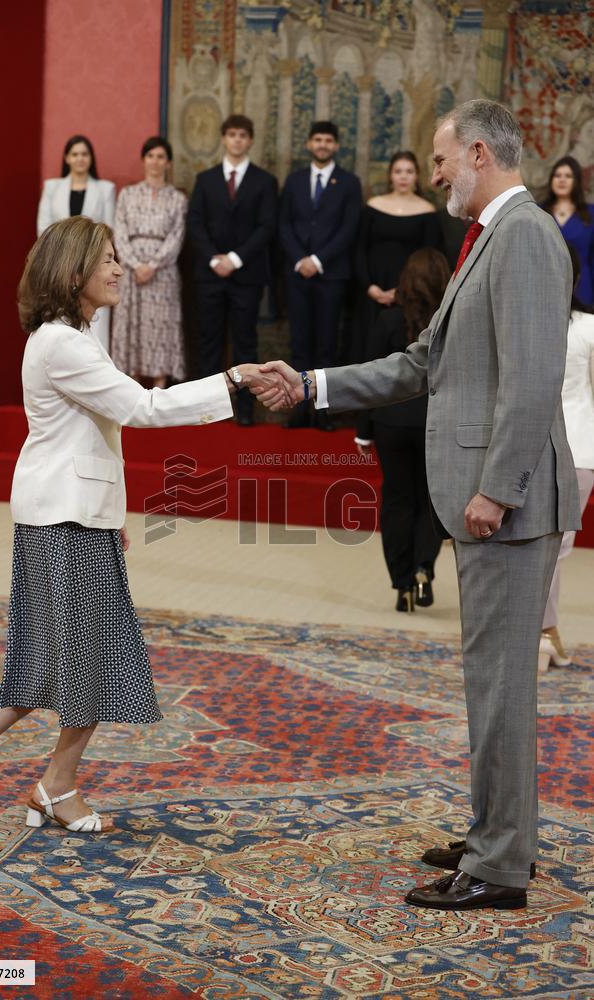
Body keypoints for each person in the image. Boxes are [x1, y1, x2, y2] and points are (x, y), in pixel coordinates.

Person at [256, 100, 580, 911]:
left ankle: (501, 867)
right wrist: (311, 385)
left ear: (477, 153)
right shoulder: (490, 238)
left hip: (505, 504)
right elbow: (420, 361)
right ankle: (498, 834)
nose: (433, 175)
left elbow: (534, 379)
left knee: (501, 686)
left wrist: (496, 489)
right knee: (490, 682)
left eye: (440, 160)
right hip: (488, 500)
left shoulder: (528, 237)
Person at [0, 217, 285, 833]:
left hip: (71, 515)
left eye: (119, 258)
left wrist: (107, 516)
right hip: (63, 518)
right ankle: (54, 788)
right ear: (72, 273)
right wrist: (231, 378)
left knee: (52, 658)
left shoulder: (72, 335)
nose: (119, 268)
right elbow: (139, 408)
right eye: (108, 259)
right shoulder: (63, 342)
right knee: (93, 659)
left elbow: (93, 436)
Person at [356, 248, 451, 612]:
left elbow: (369, 377)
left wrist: (363, 430)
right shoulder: (451, 319)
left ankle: (402, 584)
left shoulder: (386, 321)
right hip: (435, 423)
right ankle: (424, 565)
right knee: (429, 499)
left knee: (397, 500)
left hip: (391, 423)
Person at [187, 114, 278, 425]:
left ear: (250, 140)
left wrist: (235, 259)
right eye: (232, 134)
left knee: (245, 343)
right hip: (210, 275)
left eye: (243, 135)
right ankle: (208, 409)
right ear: (223, 139)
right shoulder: (205, 179)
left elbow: (267, 226)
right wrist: (215, 259)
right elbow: (195, 223)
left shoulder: (265, 181)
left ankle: (245, 410)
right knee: (209, 341)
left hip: (246, 276)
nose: (237, 140)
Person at [279, 121, 362, 429]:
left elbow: (348, 228)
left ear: (336, 145)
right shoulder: (295, 180)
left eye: (329, 140)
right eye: (318, 139)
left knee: (327, 345)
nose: (323, 144)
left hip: (331, 275)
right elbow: (283, 224)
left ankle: (323, 412)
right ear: (309, 144)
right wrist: (301, 259)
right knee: (299, 343)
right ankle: (300, 409)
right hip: (297, 274)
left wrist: (317, 259)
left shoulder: (350, 182)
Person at [540, 243, 594, 670]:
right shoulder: (523, 322)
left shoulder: (587, 327)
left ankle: (543, 631)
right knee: (544, 547)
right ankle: (543, 632)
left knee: (550, 546)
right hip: (541, 448)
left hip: (569, 446)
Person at [350, 151, 441, 367]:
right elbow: (358, 250)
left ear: (417, 176)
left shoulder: (428, 212)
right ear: (390, 175)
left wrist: (401, 291)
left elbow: (430, 259)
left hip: (409, 295)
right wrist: (369, 286)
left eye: (409, 171)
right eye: (398, 171)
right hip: (371, 291)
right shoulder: (373, 206)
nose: (403, 176)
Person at [112, 137, 187, 387]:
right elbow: (119, 233)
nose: (155, 162)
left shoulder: (177, 199)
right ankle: (130, 386)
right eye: (151, 156)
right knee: (132, 324)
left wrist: (153, 265)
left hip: (162, 273)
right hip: (131, 272)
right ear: (143, 160)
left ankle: (160, 385)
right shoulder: (128, 195)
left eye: (161, 157)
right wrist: (134, 264)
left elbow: (176, 237)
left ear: (169, 163)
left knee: (162, 327)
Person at [37, 135, 116, 350]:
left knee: (95, 326)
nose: (80, 158)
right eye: (75, 154)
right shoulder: (52, 188)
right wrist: (65, 256)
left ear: (91, 158)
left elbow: (108, 230)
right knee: (59, 320)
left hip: (94, 266)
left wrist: (87, 257)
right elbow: (44, 229)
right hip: (59, 266)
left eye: (84, 154)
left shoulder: (105, 189)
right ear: (67, 158)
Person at [543, 156, 594, 306]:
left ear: (576, 181)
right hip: (545, 285)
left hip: (582, 287)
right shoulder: (538, 212)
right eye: (557, 175)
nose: (562, 180)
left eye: (568, 176)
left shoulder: (591, 214)